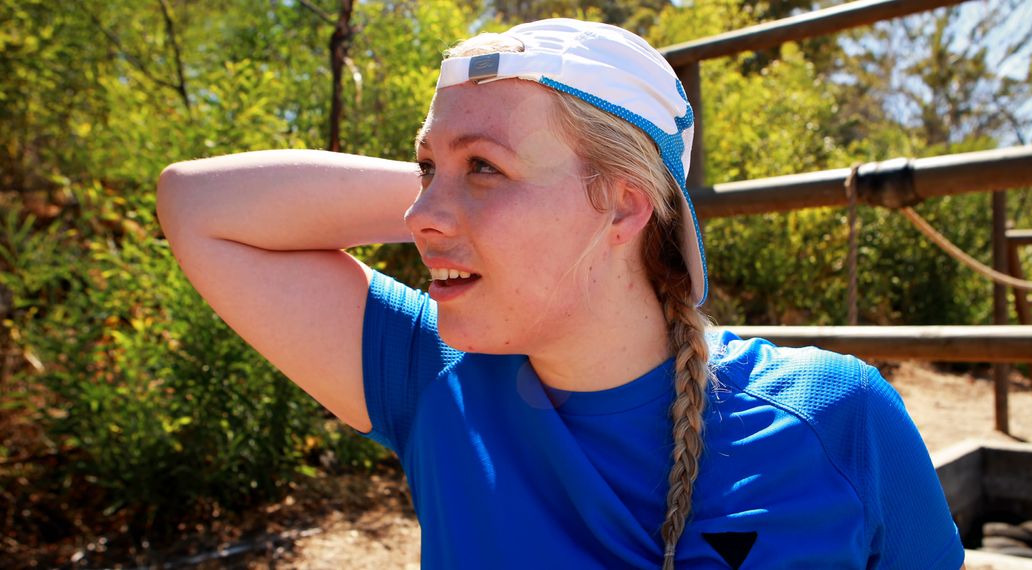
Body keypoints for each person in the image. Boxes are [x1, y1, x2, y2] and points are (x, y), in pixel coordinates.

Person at [156, 18, 965, 569]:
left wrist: (469, 208)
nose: (417, 214)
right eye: (425, 167)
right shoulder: (435, 383)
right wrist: (460, 202)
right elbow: (199, 208)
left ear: (621, 204)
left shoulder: (838, 418)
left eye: (484, 166)